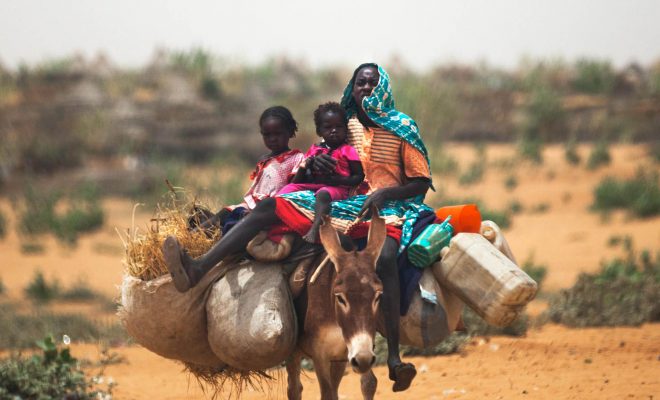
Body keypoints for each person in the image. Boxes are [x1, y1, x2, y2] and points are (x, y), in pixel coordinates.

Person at [163, 63, 432, 392]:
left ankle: (393, 357)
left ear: (384, 89)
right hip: (348, 203)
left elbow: (420, 183)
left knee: (385, 258)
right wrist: (313, 169)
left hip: (394, 208)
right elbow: (330, 158)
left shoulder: (403, 127)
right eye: (360, 83)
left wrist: (388, 192)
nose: (365, 89)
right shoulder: (346, 124)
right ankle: (199, 267)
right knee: (271, 207)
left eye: (372, 84)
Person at [193, 106, 305, 235]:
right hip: (251, 205)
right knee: (225, 212)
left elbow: (293, 188)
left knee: (237, 223)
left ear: (290, 132)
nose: (272, 139)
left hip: (270, 210)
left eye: (277, 134)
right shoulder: (264, 159)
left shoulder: (296, 158)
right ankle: (191, 237)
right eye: (267, 135)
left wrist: (303, 169)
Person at [277, 102, 364, 243]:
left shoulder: (348, 150)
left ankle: (316, 228)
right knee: (288, 188)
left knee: (323, 193)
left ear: (346, 129)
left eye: (339, 127)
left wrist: (338, 180)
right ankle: (278, 214)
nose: (334, 130)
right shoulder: (315, 150)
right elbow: (301, 178)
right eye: (328, 127)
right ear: (319, 131)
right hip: (314, 185)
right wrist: (307, 165)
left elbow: (359, 176)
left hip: (338, 188)